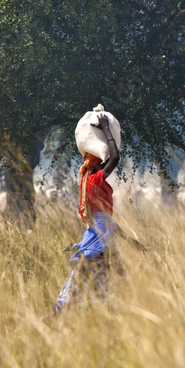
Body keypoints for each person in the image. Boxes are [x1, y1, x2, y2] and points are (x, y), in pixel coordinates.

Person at [53, 115, 143, 312]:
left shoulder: (92, 183)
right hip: (100, 245)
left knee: (92, 286)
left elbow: (106, 221)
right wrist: (106, 129)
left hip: (101, 241)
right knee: (105, 286)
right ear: (94, 165)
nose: (105, 164)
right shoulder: (95, 180)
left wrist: (131, 241)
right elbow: (115, 158)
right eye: (101, 163)